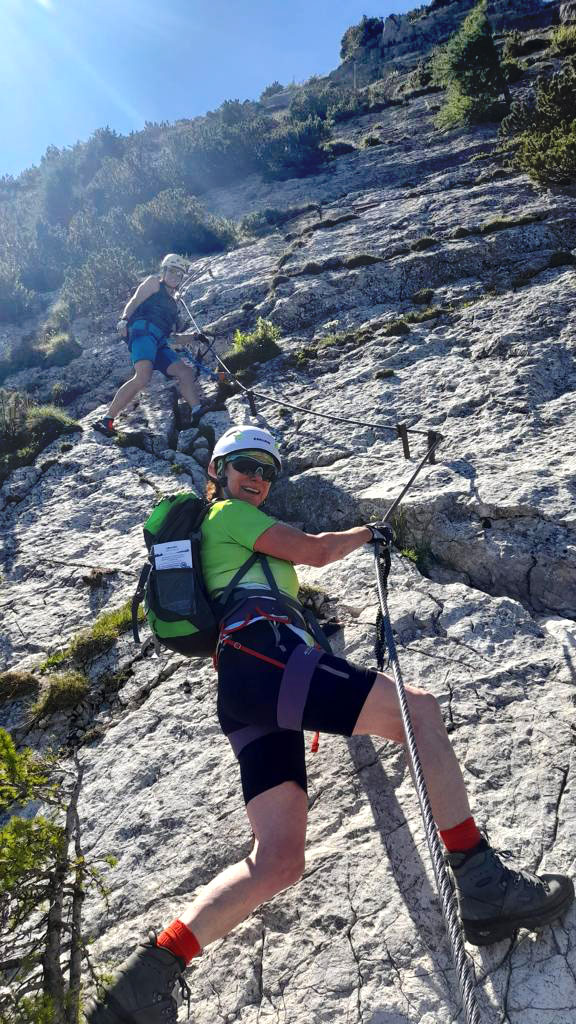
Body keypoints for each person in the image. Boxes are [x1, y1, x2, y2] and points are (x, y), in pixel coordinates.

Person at [86, 424, 574, 1024]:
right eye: (245, 465)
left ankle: (145, 981)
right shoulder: (228, 515)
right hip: (266, 657)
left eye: (267, 471)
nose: (257, 479)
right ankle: (481, 881)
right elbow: (315, 551)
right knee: (419, 713)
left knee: (278, 859)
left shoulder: (223, 535)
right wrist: (369, 532)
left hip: (242, 689)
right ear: (217, 471)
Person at [93, 254, 205, 437]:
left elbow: (172, 338)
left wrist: (194, 337)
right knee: (143, 376)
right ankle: (107, 419)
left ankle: (197, 411)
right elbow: (135, 301)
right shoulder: (154, 283)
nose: (175, 276)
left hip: (160, 342)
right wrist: (123, 319)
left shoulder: (174, 305)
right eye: (172, 271)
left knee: (185, 372)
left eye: (179, 274)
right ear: (164, 271)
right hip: (143, 332)